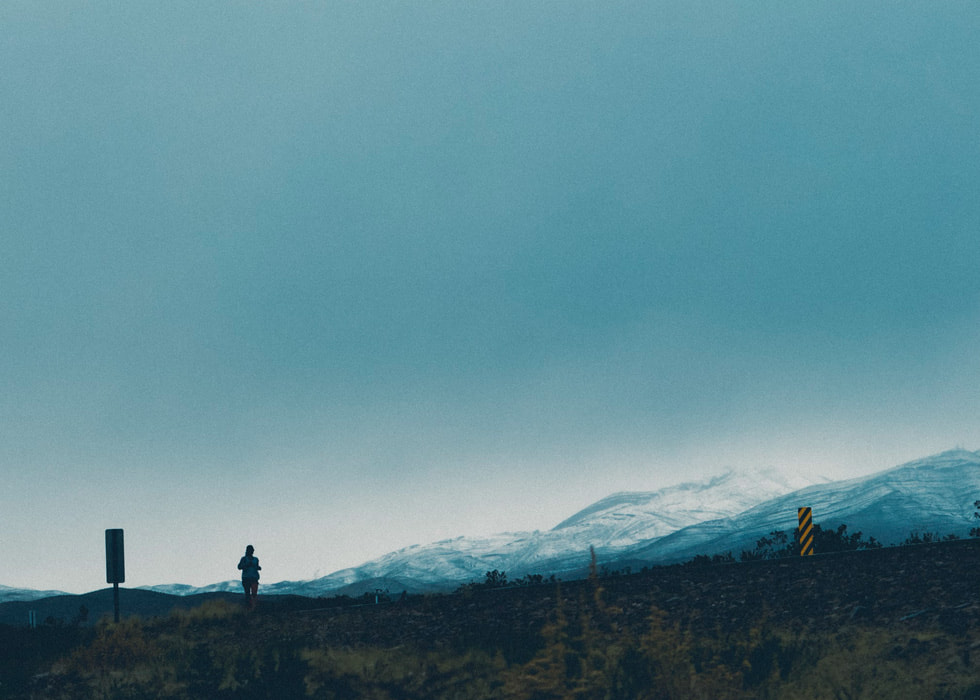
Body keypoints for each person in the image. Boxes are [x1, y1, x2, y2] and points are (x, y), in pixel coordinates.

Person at [237, 545, 261, 610]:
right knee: (247, 594)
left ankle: (253, 607)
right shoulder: (244, 559)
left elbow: (257, 566)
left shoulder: (256, 559)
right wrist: (246, 565)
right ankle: (249, 608)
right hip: (246, 578)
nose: (252, 551)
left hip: (254, 578)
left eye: (252, 550)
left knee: (254, 594)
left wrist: (258, 567)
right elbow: (239, 567)